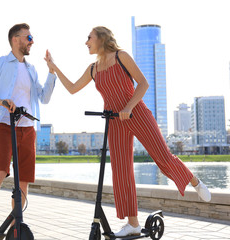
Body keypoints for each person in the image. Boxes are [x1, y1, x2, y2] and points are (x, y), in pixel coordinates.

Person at [44, 26, 211, 237]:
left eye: (89, 38)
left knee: (163, 158)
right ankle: (132, 224)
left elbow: (143, 84)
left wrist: (129, 107)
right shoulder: (93, 69)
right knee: (121, 172)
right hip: (115, 120)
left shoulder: (121, 57)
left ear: (101, 38)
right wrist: (54, 67)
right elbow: (73, 88)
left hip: (137, 113)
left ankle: (194, 181)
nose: (86, 42)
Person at [0, 23, 56, 231]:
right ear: (15, 39)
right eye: (28, 37)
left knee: (24, 178)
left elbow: (43, 97)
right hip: (3, 124)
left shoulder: (31, 69)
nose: (32, 41)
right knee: (0, 170)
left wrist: (52, 73)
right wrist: (0, 101)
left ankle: (17, 223)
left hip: (28, 128)